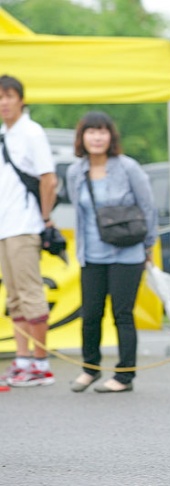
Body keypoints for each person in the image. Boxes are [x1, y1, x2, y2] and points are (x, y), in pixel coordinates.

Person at [66, 111, 158, 393]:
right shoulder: (74, 172)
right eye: (90, 131)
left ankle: (124, 376)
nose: (96, 137)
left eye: (102, 131)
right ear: (82, 137)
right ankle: (89, 368)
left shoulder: (128, 167)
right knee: (91, 313)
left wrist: (148, 246)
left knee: (122, 314)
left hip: (127, 254)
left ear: (111, 136)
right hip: (91, 254)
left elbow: (148, 207)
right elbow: (78, 213)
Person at [0, 74, 58, 387]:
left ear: (21, 99)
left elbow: (48, 178)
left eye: (9, 96)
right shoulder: (4, 134)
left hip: (24, 226)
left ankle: (41, 363)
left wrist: (44, 217)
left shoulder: (32, 132)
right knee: (14, 297)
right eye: (0, 97)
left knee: (30, 294)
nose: (4, 102)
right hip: (5, 227)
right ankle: (22, 361)